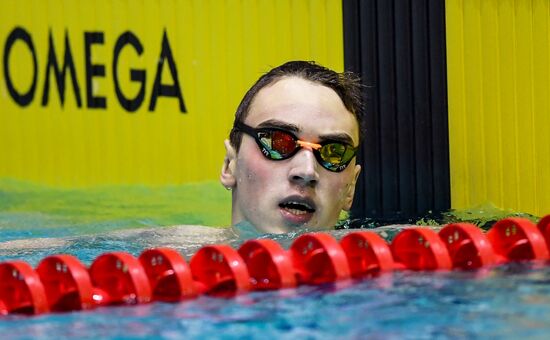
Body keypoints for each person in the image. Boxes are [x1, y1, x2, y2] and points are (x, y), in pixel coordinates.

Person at [220, 61, 364, 234]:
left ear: (351, 188)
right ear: (230, 165)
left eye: (333, 152)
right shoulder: (184, 254)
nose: (307, 172)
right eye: (278, 142)